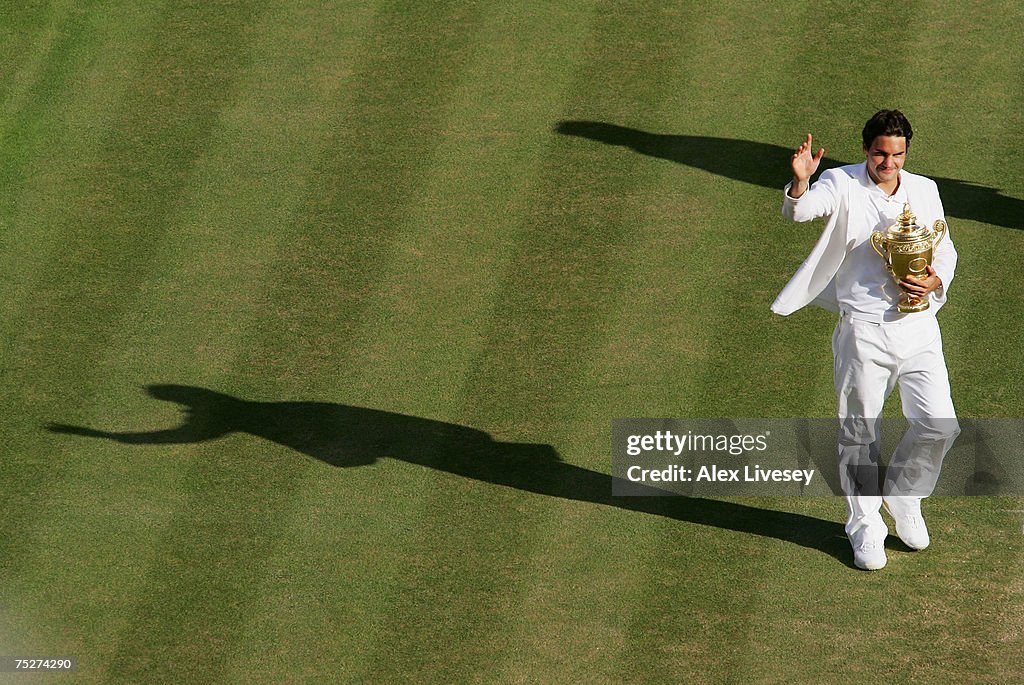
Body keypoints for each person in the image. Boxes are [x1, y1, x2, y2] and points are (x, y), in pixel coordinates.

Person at [772, 109, 960, 570]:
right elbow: (801, 211)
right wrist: (800, 183)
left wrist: (935, 282)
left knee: (940, 425)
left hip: (919, 327)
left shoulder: (926, 190)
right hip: (863, 329)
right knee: (860, 433)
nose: (888, 162)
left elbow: (945, 249)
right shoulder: (840, 183)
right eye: (880, 153)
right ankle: (865, 528)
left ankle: (904, 496)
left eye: (897, 154)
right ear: (865, 150)